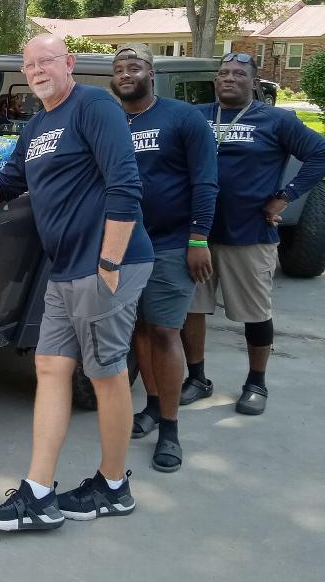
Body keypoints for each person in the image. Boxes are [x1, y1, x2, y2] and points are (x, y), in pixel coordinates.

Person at [0, 34, 154, 532]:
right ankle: (38, 493)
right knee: (49, 367)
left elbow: (125, 185)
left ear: (68, 63)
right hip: (63, 267)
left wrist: (109, 265)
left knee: (106, 374)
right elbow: (8, 183)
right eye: (29, 65)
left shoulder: (94, 106)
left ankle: (114, 487)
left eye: (46, 60)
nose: (36, 70)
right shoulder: (39, 124)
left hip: (104, 267)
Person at [182, 51, 325, 415]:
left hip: (248, 235)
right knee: (192, 309)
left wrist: (285, 197)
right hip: (196, 235)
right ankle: (197, 378)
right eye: (223, 73)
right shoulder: (195, 117)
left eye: (239, 73)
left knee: (255, 313)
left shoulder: (276, 121)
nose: (229, 78)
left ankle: (256, 383)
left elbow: (323, 155)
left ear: (254, 82)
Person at [109, 44, 218, 473]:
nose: (125, 74)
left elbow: (206, 181)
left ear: (151, 73)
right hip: (123, 245)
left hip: (172, 243)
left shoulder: (182, 117)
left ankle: (170, 429)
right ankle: (152, 406)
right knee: (137, 329)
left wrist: (198, 238)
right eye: (119, 69)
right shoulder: (111, 121)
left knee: (164, 333)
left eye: (134, 67)